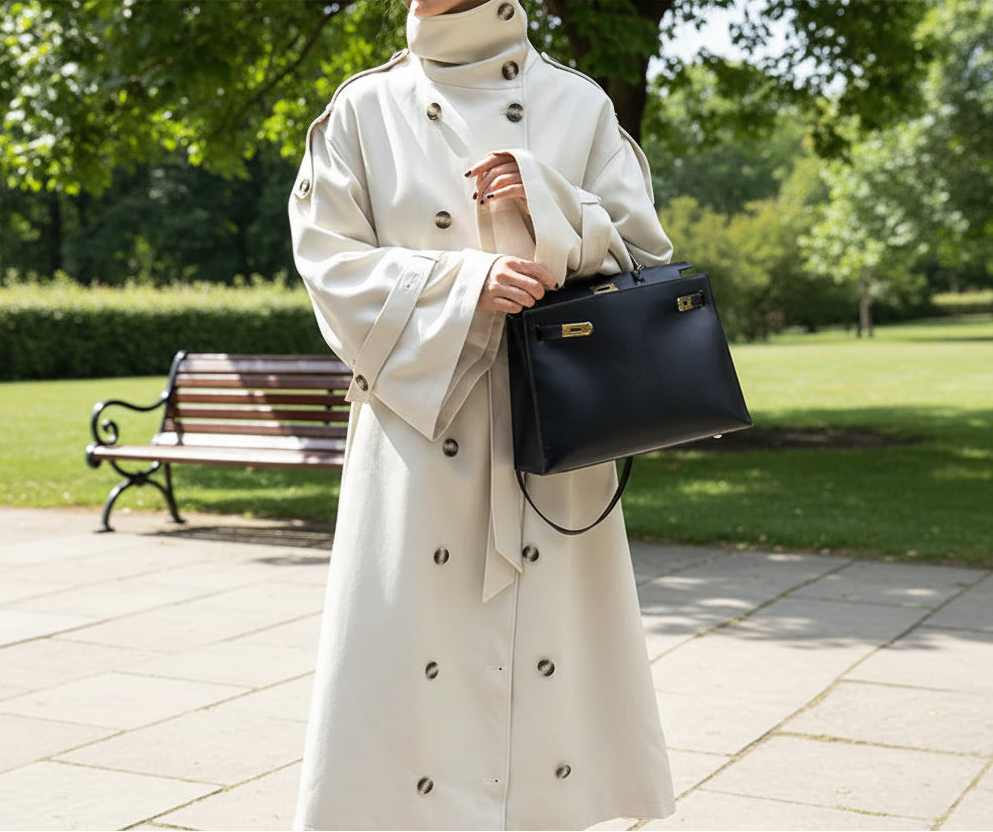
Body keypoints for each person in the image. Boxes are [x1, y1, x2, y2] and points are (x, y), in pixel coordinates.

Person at [287, 0, 676, 829]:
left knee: (550, 685)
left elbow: (644, 257)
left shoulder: (580, 105)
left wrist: (546, 205)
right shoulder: (363, 108)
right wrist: (463, 286)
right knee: (407, 670)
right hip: (417, 437)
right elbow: (327, 264)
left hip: (553, 433)